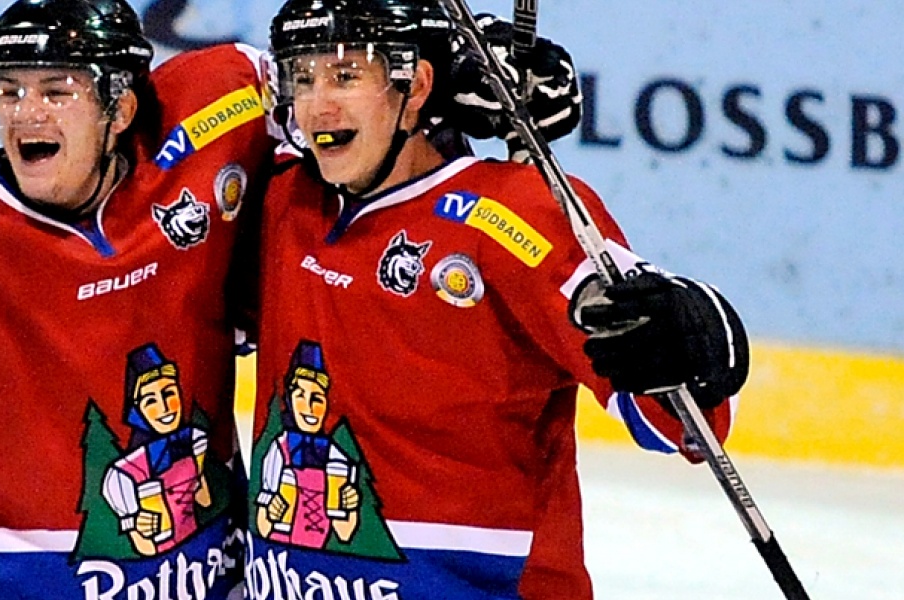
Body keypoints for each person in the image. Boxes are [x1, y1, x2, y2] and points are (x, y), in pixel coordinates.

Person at [0, 0, 582, 597]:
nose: (26, 116)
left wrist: (456, 79)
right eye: (9, 94)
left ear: (121, 107)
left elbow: (343, 110)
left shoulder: (218, 114)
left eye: (56, 92)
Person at [243, 2, 750, 599]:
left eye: (347, 76)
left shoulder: (509, 213)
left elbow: (679, 421)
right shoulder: (283, 205)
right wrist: (461, 53)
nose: (319, 104)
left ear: (417, 85)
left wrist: (687, 336)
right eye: (303, 78)